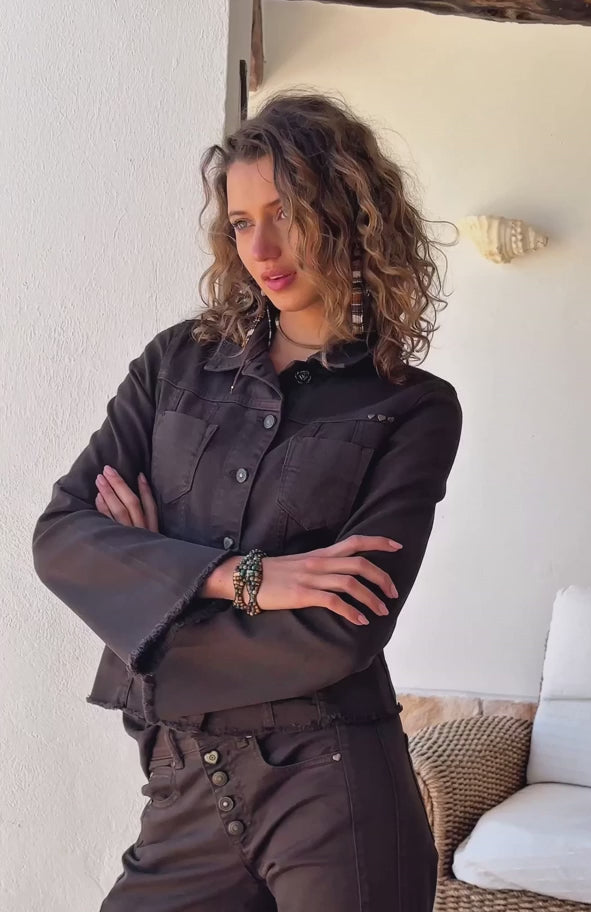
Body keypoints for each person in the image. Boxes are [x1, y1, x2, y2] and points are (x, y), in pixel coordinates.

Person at [32, 90, 462, 912]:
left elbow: (343, 630)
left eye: (286, 214)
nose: (261, 248)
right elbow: (62, 538)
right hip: (185, 787)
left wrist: (149, 604)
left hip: (333, 789)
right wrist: (243, 577)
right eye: (240, 222)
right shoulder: (175, 365)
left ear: (349, 215)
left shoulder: (413, 408)